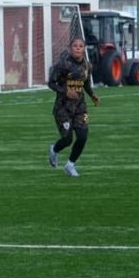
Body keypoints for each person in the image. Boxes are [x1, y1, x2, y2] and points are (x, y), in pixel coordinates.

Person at [47, 37, 100, 177]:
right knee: (68, 139)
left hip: (80, 107)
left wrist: (92, 95)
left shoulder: (88, 66)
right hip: (63, 107)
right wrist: (66, 91)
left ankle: (70, 165)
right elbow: (51, 83)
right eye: (75, 46)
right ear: (70, 48)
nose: (78, 48)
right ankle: (54, 149)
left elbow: (86, 83)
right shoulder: (62, 65)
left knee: (83, 136)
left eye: (81, 46)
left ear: (84, 48)